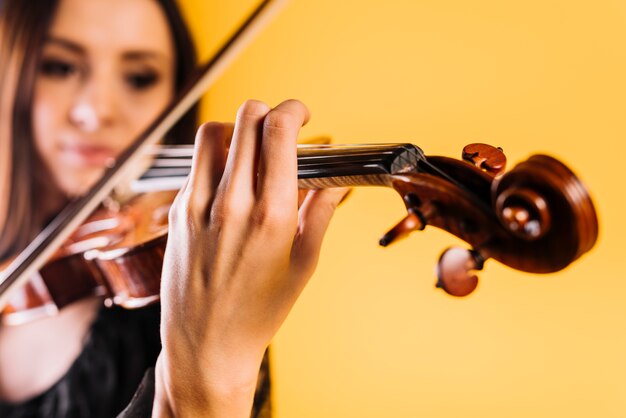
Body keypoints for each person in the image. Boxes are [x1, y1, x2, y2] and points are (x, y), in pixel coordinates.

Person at [0, 0, 348, 416]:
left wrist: (209, 371)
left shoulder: (193, 298)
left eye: (140, 77)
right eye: (59, 67)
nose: (97, 111)